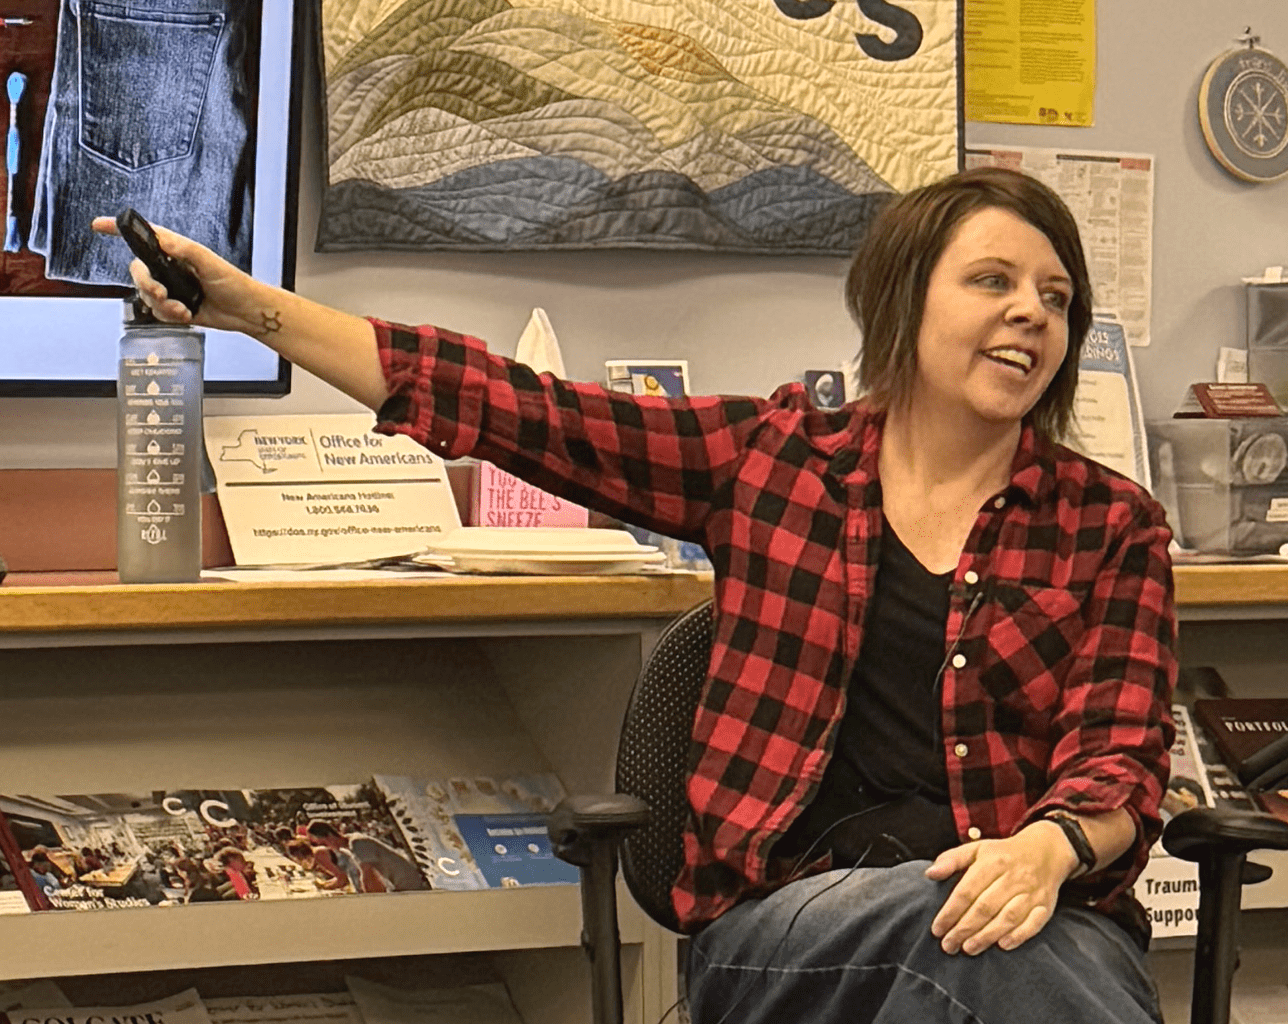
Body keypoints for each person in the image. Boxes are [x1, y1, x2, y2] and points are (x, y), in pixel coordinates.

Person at [91, 167, 1175, 1023]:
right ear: (902, 297)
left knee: (1000, 955)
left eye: (1055, 297)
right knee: (965, 940)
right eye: (991, 281)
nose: (1030, 314)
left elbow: (1117, 759)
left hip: (1036, 906)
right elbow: (514, 408)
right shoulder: (771, 461)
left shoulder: (1108, 525)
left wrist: (1045, 850)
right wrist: (247, 308)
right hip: (789, 928)